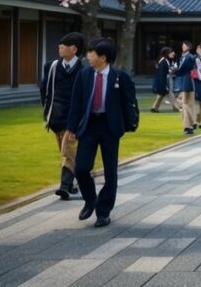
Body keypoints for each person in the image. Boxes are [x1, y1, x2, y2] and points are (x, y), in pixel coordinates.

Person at [65, 37, 137, 228]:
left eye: (91, 53)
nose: (87, 56)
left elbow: (129, 103)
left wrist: (128, 124)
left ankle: (103, 212)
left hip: (109, 128)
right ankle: (90, 200)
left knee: (110, 171)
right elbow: (76, 103)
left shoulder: (120, 77)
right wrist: (71, 128)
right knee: (81, 168)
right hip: (88, 126)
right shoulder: (85, 75)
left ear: (103, 57)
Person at [39, 31, 85, 200]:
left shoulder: (84, 69)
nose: (59, 47)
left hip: (74, 118)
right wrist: (47, 110)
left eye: (63, 45)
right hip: (56, 117)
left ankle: (65, 186)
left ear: (73, 49)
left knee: (67, 151)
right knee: (67, 153)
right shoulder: (51, 67)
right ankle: (75, 182)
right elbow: (44, 89)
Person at [174, 40, 197, 134]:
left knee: (185, 103)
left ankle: (191, 123)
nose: (182, 47)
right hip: (186, 82)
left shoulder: (189, 57)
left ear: (188, 47)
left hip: (187, 82)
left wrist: (175, 71)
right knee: (187, 104)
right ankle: (188, 126)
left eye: (184, 46)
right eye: (182, 45)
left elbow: (182, 70)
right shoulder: (183, 57)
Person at [150, 47, 179, 112]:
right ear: (166, 53)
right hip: (165, 80)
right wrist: (163, 84)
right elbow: (162, 74)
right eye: (171, 52)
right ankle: (176, 108)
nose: (173, 53)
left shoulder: (166, 60)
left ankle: (154, 107)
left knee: (162, 94)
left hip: (165, 80)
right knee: (170, 93)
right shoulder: (163, 62)